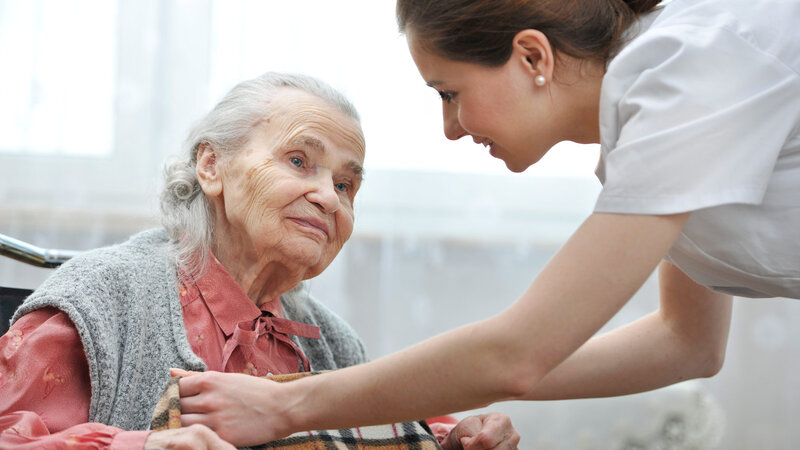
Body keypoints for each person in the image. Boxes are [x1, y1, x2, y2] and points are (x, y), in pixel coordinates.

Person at [173, 0, 800, 446]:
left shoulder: (686, 70)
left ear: (532, 56)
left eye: (449, 92)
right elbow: (686, 343)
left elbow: (517, 354)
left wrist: (286, 406)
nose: (450, 126)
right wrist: (420, 407)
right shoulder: (650, 130)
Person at [0, 72, 519, 449]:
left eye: (345, 185)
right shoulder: (102, 298)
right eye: (298, 161)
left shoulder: (333, 341)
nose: (330, 198)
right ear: (212, 166)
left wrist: (455, 441)